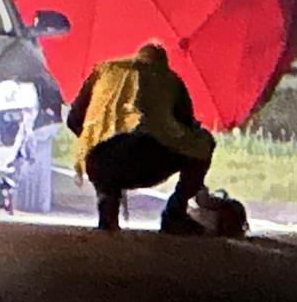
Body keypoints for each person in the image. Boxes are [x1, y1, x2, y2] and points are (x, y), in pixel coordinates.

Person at [67, 42, 215, 233]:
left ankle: (108, 209)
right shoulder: (170, 79)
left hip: (103, 162)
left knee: (99, 153)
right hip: (152, 161)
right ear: (162, 63)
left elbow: (73, 119)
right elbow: (186, 128)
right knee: (204, 143)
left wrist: (94, 141)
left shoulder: (105, 70)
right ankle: (175, 212)